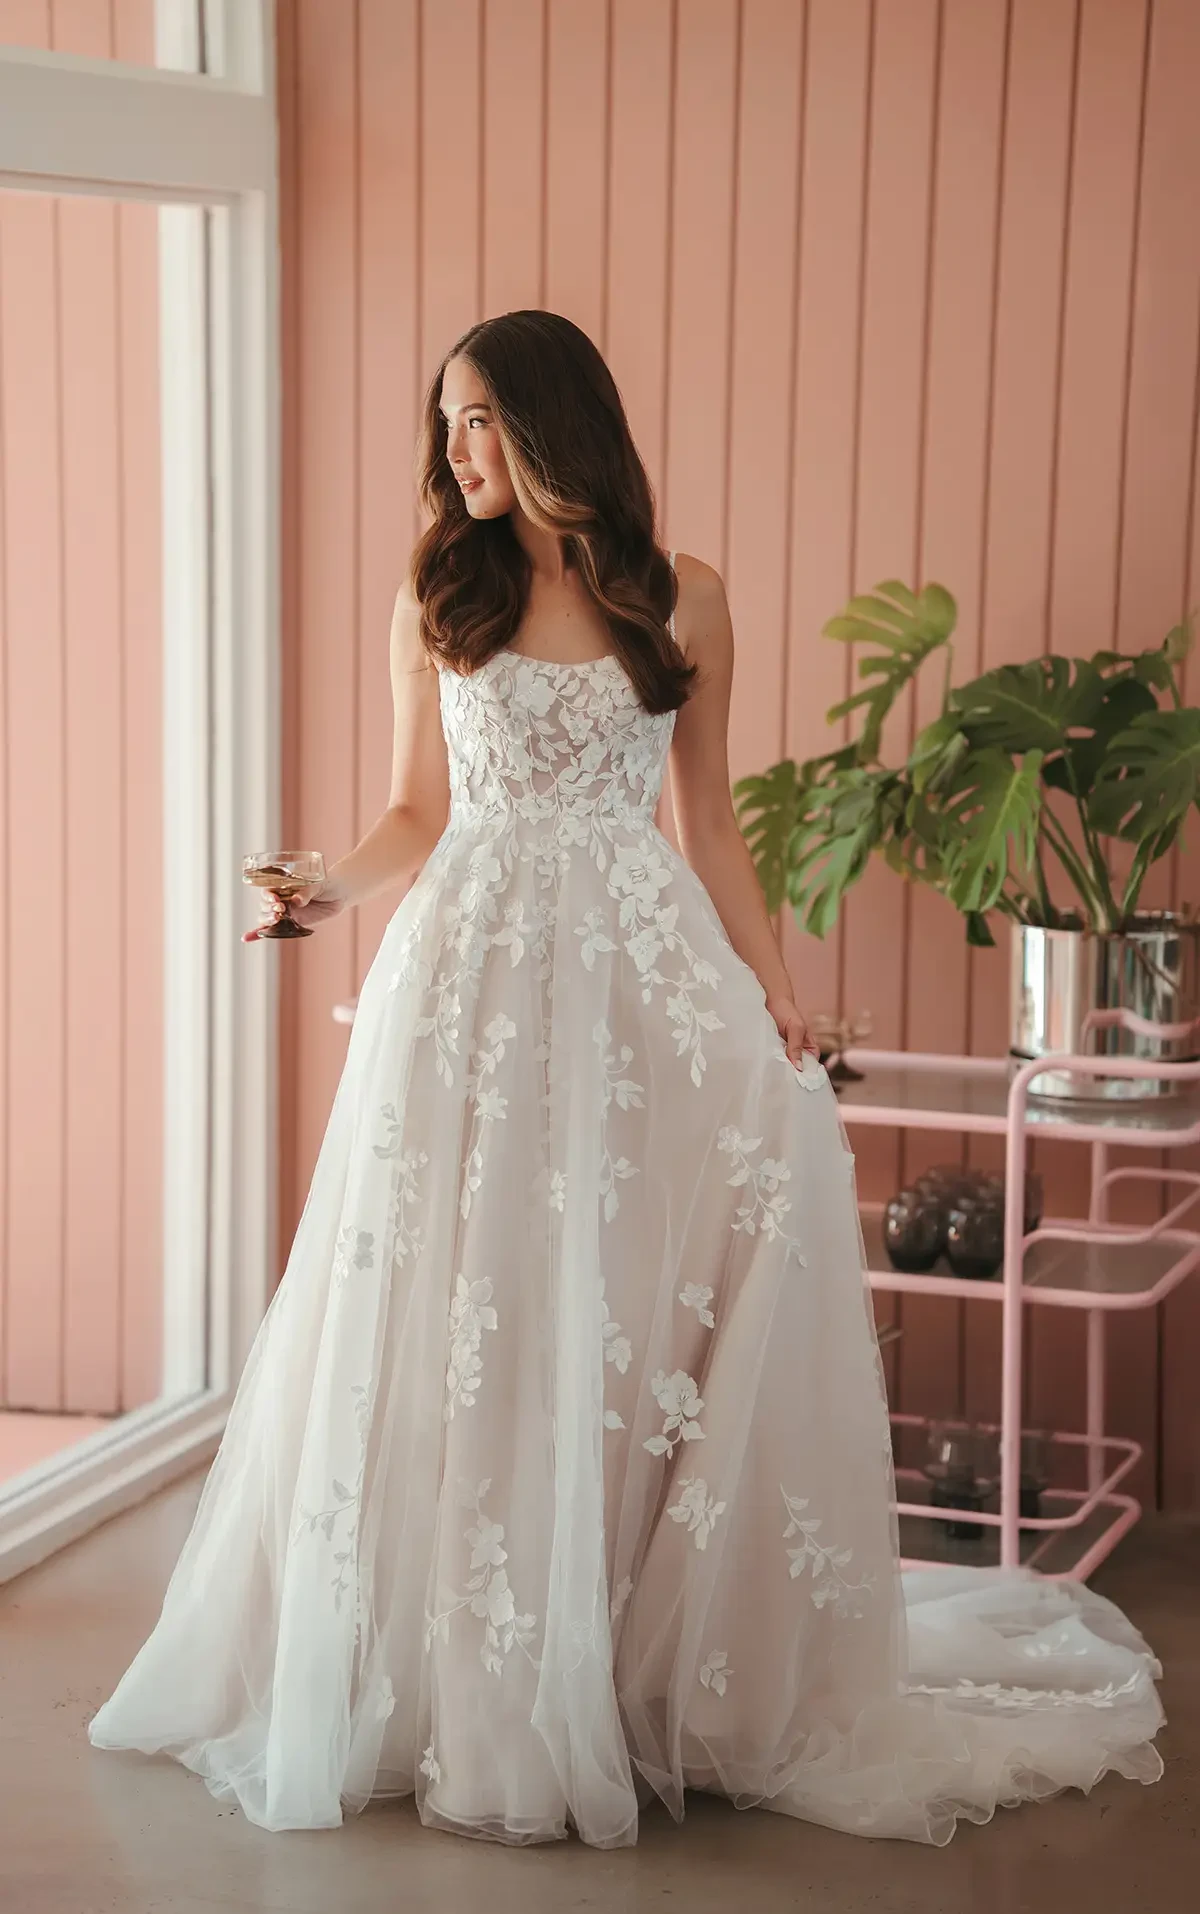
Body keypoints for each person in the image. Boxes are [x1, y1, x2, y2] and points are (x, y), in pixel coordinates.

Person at [87, 310, 1164, 1848]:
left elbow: (708, 824)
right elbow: (414, 808)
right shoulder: (436, 594)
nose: (456, 453)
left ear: (555, 424)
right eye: (445, 424)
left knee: (611, 1308)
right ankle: (462, 1677)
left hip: (631, 979)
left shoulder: (686, 599)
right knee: (470, 1311)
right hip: (466, 976)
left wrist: (777, 995)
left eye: (481, 423)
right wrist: (331, 882)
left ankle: (616, 1664)